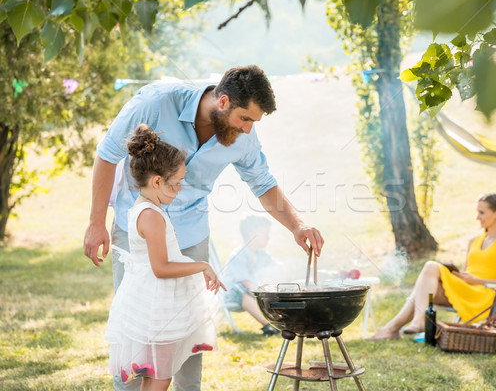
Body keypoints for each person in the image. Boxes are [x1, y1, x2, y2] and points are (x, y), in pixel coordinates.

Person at [83, 65, 324, 390]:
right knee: (135, 329)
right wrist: (96, 222)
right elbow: (107, 155)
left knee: (187, 332)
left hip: (190, 236)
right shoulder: (155, 102)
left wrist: (298, 226)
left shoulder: (242, 137)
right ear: (222, 102)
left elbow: (263, 183)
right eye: (245, 119)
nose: (249, 129)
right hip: (136, 233)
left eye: (254, 121)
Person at [105, 124, 226, 391]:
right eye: (177, 182)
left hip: (151, 301)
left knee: (158, 375)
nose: (180, 189)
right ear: (157, 180)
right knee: (159, 378)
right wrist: (203, 265)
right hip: (157, 308)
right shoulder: (151, 216)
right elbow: (160, 267)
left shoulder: (144, 208)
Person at [367, 193, 496, 340]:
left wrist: (476, 280)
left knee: (430, 267)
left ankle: (400, 326)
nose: (477, 217)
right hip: (465, 288)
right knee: (424, 288)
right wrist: (459, 275)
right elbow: (466, 271)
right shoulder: (474, 240)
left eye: (482, 212)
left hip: (484, 294)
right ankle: (394, 329)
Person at [221, 215, 281, 336]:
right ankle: (267, 324)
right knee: (240, 288)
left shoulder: (262, 254)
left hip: (252, 293)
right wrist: (259, 291)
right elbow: (245, 282)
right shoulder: (240, 254)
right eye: (265, 233)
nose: (268, 237)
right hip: (231, 295)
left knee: (271, 287)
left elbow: (278, 267)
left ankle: (278, 321)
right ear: (253, 234)